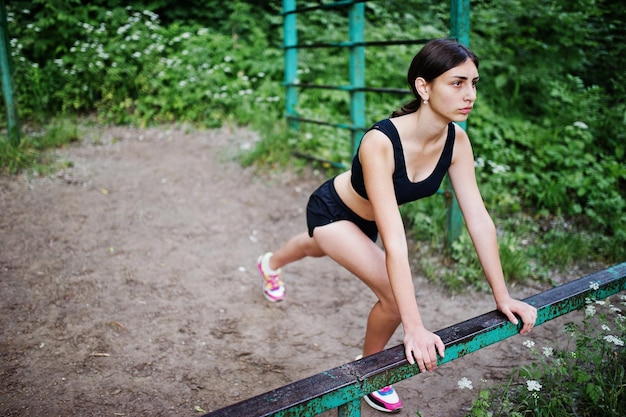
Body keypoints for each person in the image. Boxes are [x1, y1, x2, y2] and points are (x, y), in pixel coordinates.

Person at [256, 38, 538, 414]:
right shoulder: (380, 141)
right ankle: (372, 371)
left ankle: (270, 264)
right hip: (333, 210)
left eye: (474, 83)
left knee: (313, 247)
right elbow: (396, 243)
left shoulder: (457, 142)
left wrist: (502, 296)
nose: (469, 94)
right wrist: (414, 326)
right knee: (389, 294)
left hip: (364, 221)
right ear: (424, 87)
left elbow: (479, 220)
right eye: (457, 82)